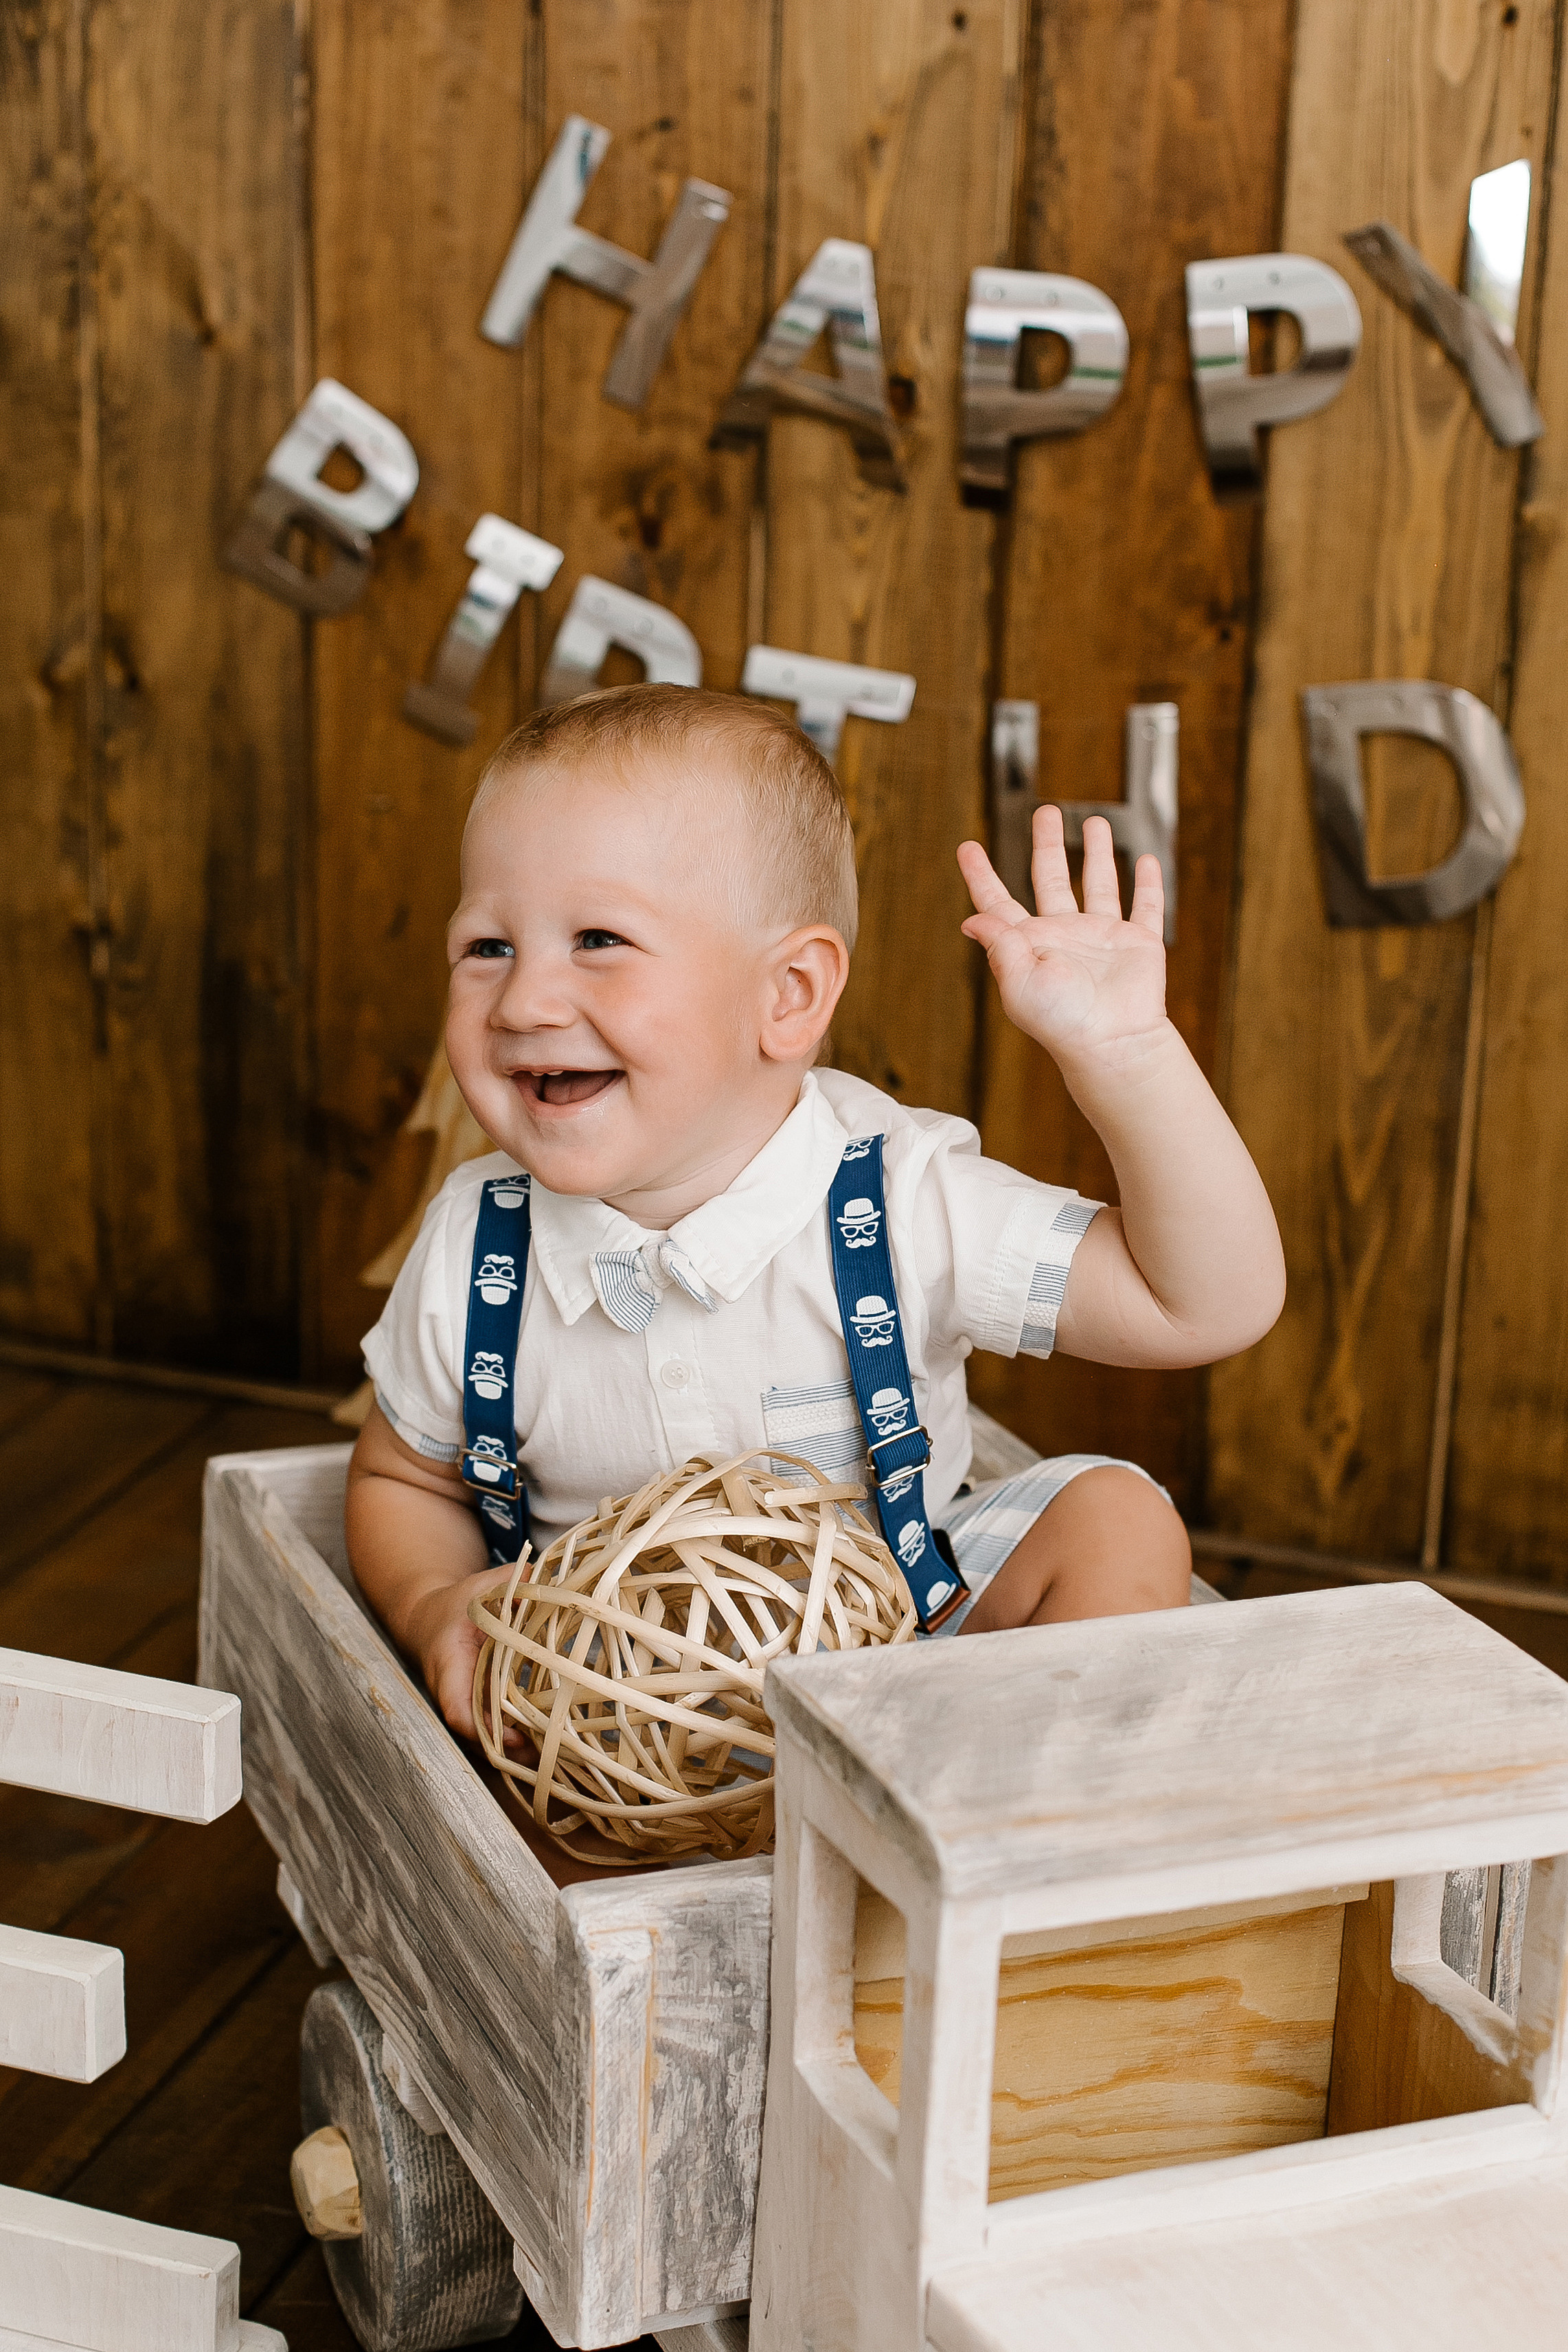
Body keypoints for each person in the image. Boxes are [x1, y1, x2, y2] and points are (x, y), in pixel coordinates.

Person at [347, 684, 1284, 1741]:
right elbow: (402, 1475)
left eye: (598, 938)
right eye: (488, 948)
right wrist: (435, 1605)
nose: (523, 1002)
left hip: (913, 1666)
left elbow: (1200, 1306)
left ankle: (1002, 1823)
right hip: (617, 1714)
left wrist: (1128, 1059)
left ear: (788, 994)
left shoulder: (898, 1198)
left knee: (1118, 1520)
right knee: (520, 1765)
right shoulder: (477, 1245)